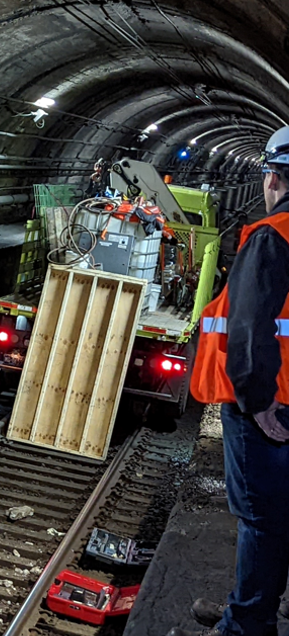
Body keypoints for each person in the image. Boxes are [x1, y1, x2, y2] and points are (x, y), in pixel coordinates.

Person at [174, 126, 289, 636]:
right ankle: (256, 607)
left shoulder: (272, 235)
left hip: (268, 405)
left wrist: (255, 398)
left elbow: (247, 329)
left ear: (272, 177)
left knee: (260, 519)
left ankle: (246, 623)